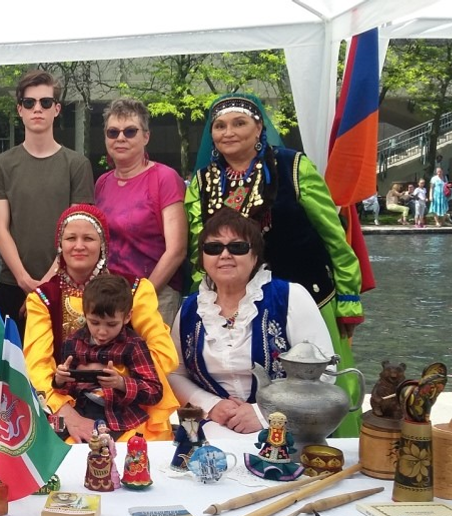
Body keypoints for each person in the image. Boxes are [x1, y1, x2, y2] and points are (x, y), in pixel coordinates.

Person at [185, 93, 363, 436]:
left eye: (239, 123)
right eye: (219, 126)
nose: (228, 132)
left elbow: (333, 235)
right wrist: (205, 296)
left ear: (259, 128)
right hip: (235, 301)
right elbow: (199, 247)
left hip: (304, 296)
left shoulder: (292, 167)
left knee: (322, 381)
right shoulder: (204, 181)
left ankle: (332, 451)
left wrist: (348, 297)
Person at [168, 208, 334, 434]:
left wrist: (264, 413)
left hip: (285, 428)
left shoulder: (290, 297)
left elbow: (325, 371)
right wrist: (210, 405)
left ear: (255, 256)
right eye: (214, 248)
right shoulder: (190, 309)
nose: (224, 255)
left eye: (237, 247)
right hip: (214, 427)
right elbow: (175, 373)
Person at [24, 205, 179, 444]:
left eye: (88, 238)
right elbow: (37, 367)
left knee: (133, 454)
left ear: (103, 245)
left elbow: (164, 354)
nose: (79, 246)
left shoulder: (134, 289)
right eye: (71, 238)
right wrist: (69, 414)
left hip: (129, 406)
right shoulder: (43, 298)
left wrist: (113, 377)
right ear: (60, 244)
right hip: (65, 404)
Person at [0, 70, 94, 332]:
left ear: (56, 109)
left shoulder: (77, 165)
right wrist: (24, 280)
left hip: (66, 285)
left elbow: (76, 231)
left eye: (45, 102)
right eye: (29, 102)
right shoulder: (2, 165)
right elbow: (0, 228)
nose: (37, 109)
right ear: (20, 109)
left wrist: (45, 285)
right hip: (13, 284)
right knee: (13, 359)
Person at [94, 98, 186, 323]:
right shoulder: (102, 183)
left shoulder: (164, 178)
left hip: (156, 295)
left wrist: (141, 298)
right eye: (113, 132)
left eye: (130, 131)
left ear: (146, 136)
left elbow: (177, 250)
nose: (120, 138)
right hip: (110, 299)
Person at [53, 274, 163, 441]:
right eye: (94, 323)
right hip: (77, 408)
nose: (102, 332)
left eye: (111, 324)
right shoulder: (73, 341)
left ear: (127, 317)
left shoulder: (133, 344)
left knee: (102, 449)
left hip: (115, 414)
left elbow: (154, 392)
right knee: (47, 438)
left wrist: (120, 383)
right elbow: (65, 390)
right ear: (85, 314)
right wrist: (60, 380)